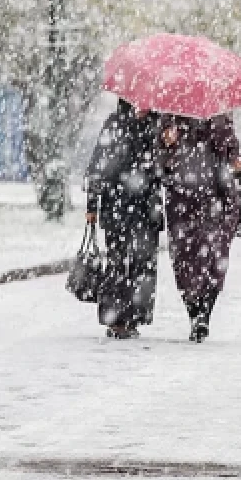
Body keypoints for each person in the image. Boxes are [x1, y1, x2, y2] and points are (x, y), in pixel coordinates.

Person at [160, 113, 241, 343]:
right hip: (182, 201)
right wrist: (167, 144)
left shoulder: (221, 118)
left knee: (215, 259)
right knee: (184, 260)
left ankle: (204, 314)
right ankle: (194, 313)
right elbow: (161, 161)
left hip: (216, 200)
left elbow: (233, 156)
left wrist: (237, 163)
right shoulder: (171, 118)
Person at [84, 99, 163, 340]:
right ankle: (116, 319)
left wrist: (166, 147)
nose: (143, 106)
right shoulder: (115, 124)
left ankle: (134, 317)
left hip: (146, 209)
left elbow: (166, 170)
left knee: (143, 265)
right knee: (117, 262)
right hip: (116, 206)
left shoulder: (158, 125)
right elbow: (98, 165)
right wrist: (92, 205)